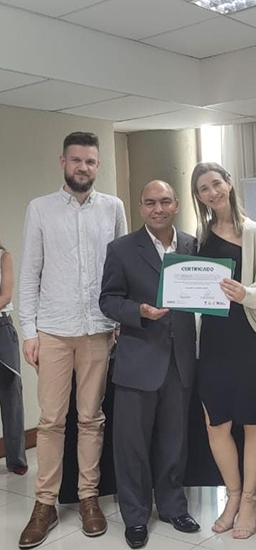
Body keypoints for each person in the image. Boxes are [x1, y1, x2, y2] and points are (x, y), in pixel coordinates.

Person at [18, 131, 127, 549]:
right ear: (63, 162)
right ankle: (44, 504)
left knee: (91, 418)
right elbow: (30, 272)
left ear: (97, 165)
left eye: (91, 161)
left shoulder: (113, 208)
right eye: (77, 160)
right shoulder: (40, 208)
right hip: (53, 330)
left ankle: (87, 498)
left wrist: (119, 320)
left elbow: (121, 268)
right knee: (50, 421)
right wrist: (29, 332)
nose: (84, 167)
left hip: (98, 328)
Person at [100, 181, 201, 549]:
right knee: (132, 446)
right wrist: (139, 312)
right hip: (138, 359)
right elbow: (108, 300)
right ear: (141, 207)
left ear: (176, 205)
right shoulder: (122, 249)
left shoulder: (192, 245)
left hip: (181, 362)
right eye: (150, 203)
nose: (157, 208)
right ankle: (136, 515)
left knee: (175, 442)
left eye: (164, 201)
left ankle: (174, 507)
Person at [190, 162, 256, 539]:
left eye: (216, 184)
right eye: (203, 189)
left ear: (229, 183)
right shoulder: (199, 236)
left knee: (253, 420)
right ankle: (232, 496)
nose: (212, 192)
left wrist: (246, 293)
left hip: (249, 337)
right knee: (217, 423)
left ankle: (251, 500)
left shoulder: (252, 230)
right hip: (213, 339)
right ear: (198, 197)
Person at [0, 240, 27, 476]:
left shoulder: (4, 257)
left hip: (2, 329)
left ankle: (16, 459)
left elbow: (5, 296)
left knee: (11, 394)